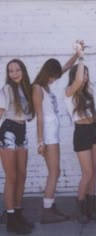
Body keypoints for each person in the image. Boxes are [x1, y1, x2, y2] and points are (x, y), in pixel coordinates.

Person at [32, 44, 80, 224]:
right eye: (53, 76)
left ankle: (50, 205)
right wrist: (40, 141)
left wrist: (77, 54)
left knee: (55, 171)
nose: (55, 79)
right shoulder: (37, 88)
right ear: (47, 73)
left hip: (53, 134)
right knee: (54, 172)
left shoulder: (46, 86)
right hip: (48, 136)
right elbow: (39, 116)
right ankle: (47, 211)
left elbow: (65, 67)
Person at [64, 43, 96, 224]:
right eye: (83, 73)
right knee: (87, 173)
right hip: (80, 132)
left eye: (87, 73)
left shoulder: (88, 92)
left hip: (93, 130)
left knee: (94, 171)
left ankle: (91, 207)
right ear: (75, 76)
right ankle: (80, 206)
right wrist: (80, 57)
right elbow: (78, 81)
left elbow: (94, 111)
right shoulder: (69, 92)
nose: (85, 77)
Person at [0, 59, 34, 234]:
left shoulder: (28, 88)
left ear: (23, 70)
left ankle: (18, 214)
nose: (14, 73)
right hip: (8, 131)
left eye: (17, 69)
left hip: (22, 130)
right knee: (11, 177)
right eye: (11, 71)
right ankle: (11, 219)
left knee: (22, 175)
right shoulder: (6, 89)